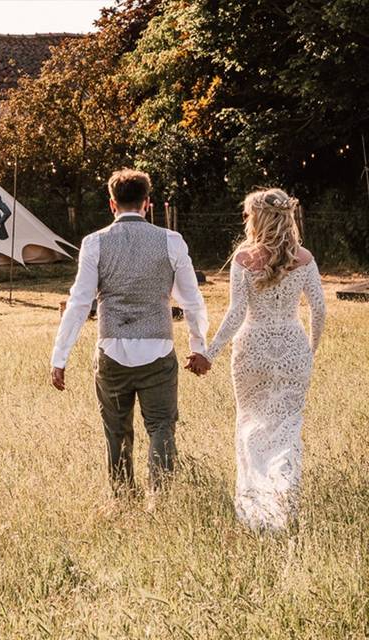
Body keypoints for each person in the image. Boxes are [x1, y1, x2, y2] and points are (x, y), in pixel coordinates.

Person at [49, 168, 209, 495]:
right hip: (159, 351)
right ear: (147, 204)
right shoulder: (171, 241)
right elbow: (192, 301)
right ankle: (160, 498)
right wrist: (198, 345)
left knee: (117, 432)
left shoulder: (95, 243)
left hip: (111, 351)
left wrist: (59, 357)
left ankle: (123, 498)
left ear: (112, 204)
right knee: (162, 427)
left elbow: (79, 303)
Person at [204, 189, 325, 532]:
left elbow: (236, 313)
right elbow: (319, 309)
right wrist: (309, 350)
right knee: (287, 429)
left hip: (252, 348)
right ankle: (284, 503)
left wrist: (210, 353)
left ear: (257, 217)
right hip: (292, 346)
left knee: (251, 427)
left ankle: (256, 512)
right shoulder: (304, 258)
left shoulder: (244, 259)